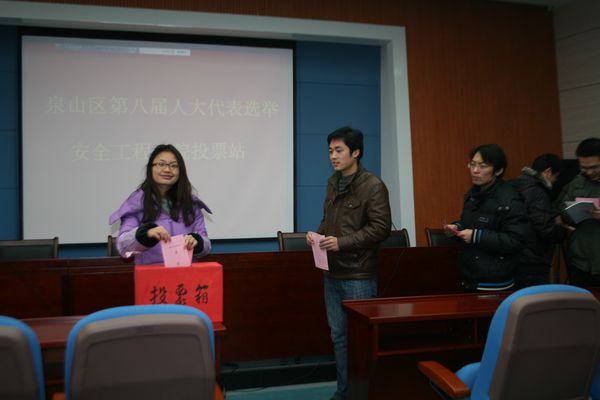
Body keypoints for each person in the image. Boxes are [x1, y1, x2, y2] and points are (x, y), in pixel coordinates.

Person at [306, 126, 391, 400]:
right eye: (330, 151)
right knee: (339, 336)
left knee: (360, 339)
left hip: (358, 274)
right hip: (332, 272)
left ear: (356, 152)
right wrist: (318, 235)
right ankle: (344, 392)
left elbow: (381, 228)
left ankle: (364, 394)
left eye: (339, 150)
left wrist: (342, 243)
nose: (333, 156)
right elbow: (329, 220)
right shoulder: (333, 182)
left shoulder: (373, 185)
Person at [445, 144, 529, 291]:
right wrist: (458, 227)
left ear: (498, 170)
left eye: (483, 166)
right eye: (472, 164)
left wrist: (476, 236)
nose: (475, 170)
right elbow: (472, 223)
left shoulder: (510, 199)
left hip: (495, 282)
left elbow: (515, 241)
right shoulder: (472, 194)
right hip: (469, 277)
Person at [109, 144, 211, 265]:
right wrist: (145, 234)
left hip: (185, 273)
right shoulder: (135, 204)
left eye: (174, 165)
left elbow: (206, 246)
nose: (167, 170)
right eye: (161, 164)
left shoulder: (191, 205)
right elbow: (123, 246)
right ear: (150, 168)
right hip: (151, 274)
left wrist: (197, 241)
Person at [510, 154, 567, 288]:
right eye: (556, 177)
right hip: (533, 259)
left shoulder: (516, 184)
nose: (555, 181)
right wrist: (562, 230)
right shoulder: (537, 191)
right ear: (548, 172)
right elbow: (545, 229)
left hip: (514, 255)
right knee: (536, 297)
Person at [554, 137, 600, 286]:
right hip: (582, 261)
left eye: (594, 167)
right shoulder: (577, 182)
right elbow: (560, 207)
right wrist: (567, 214)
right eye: (584, 168)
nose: (589, 172)